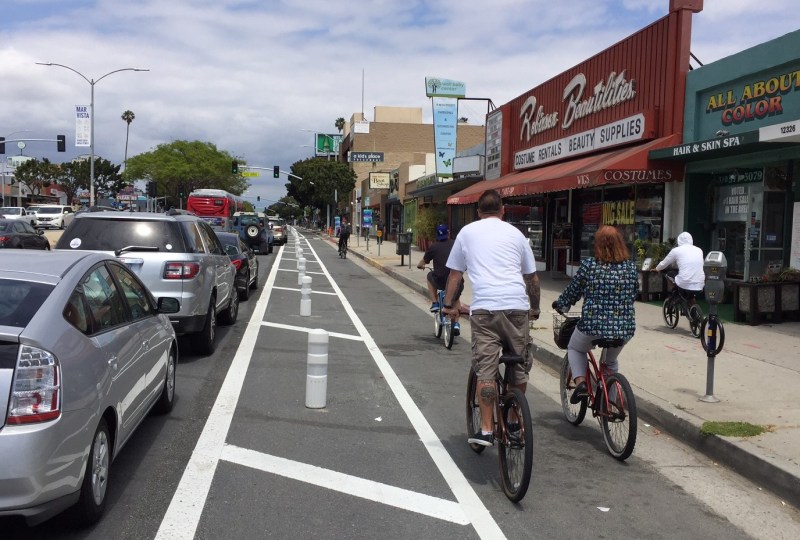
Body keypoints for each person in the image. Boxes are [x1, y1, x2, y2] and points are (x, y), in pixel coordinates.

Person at [442, 189, 540, 447]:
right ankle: (513, 419)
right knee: (518, 368)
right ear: (502, 210)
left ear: (478, 212)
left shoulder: (467, 232)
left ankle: (486, 429)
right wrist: (535, 308)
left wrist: (448, 304)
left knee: (485, 370)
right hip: (517, 309)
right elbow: (532, 279)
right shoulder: (516, 234)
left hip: (485, 311)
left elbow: (455, 275)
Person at [552, 226, 638, 404]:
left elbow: (572, 291)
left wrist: (561, 305)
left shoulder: (589, 266)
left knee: (575, 348)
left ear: (597, 244)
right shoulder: (630, 268)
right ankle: (611, 404)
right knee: (610, 362)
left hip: (592, 325)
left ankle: (581, 383)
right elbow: (634, 293)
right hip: (624, 328)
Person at [416, 224, 464, 335]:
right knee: (456, 299)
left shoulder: (433, 247)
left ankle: (435, 303)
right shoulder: (456, 245)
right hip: (456, 281)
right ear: (448, 233)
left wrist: (420, 266)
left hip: (440, 281)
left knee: (429, 276)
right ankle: (456, 324)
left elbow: (422, 263)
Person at [655, 231, 705, 303]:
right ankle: (694, 311)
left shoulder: (676, 250)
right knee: (691, 296)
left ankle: (675, 293)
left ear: (679, 240)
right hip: (700, 284)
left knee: (668, 274)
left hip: (684, 282)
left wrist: (657, 269)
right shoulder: (699, 250)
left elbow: (664, 263)